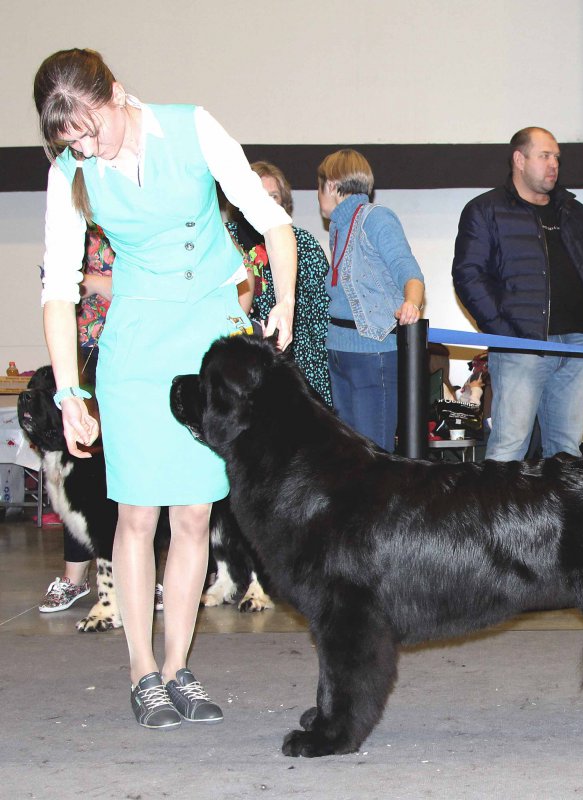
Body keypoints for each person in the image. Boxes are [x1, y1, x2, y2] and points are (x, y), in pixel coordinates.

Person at [34, 48, 296, 729]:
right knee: (137, 515)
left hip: (209, 343)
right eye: (73, 139)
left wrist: (285, 301)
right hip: (137, 349)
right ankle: (141, 673)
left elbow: (271, 220)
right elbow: (59, 289)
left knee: (194, 515)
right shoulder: (71, 172)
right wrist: (69, 392)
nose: (89, 146)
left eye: (93, 126)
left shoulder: (190, 127)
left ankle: (179, 667)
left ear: (117, 92)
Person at [452, 126, 583, 462]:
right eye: (544, 156)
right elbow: (468, 275)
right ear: (519, 160)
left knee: (567, 454)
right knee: (509, 449)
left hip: (577, 345)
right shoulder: (486, 210)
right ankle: (498, 518)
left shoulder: (573, 210)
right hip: (522, 345)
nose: (554, 164)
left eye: (557, 157)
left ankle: (558, 518)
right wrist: (505, 333)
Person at [317, 149, 425, 452]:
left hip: (373, 352)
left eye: (319, 186)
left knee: (373, 457)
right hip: (340, 350)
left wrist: (412, 304)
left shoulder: (376, 218)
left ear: (331, 184)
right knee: (348, 455)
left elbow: (410, 272)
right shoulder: (339, 226)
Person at [38, 222, 113, 613]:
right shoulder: (68, 232)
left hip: (125, 356)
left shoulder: (125, 227)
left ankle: (138, 575)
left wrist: (96, 283)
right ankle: (73, 578)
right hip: (77, 360)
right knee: (77, 471)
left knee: (122, 478)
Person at [224, 160, 332, 405]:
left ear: (283, 202)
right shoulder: (224, 239)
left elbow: (321, 312)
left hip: (298, 362)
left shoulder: (303, 244)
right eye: (260, 195)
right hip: (238, 365)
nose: (266, 202)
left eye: (273, 195)